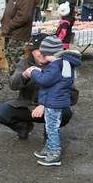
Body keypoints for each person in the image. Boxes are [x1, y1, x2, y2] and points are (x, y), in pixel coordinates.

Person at [0, 34, 75, 139]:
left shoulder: (61, 65)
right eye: (38, 50)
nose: (42, 54)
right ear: (32, 51)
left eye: (46, 50)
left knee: (66, 113)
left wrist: (47, 105)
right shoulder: (25, 63)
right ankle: (23, 127)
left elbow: (73, 94)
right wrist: (24, 75)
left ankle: (50, 129)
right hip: (26, 105)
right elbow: (12, 84)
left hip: (52, 107)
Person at [27, 37, 82, 166]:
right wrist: (42, 71)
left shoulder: (56, 65)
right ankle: (49, 148)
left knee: (52, 128)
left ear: (47, 52)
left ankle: (54, 153)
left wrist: (34, 72)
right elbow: (53, 77)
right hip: (57, 100)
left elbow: (45, 80)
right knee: (51, 126)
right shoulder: (63, 62)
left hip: (53, 101)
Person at [1, 0, 37, 74]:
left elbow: (24, 16)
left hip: (18, 35)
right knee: (10, 58)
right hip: (10, 33)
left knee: (17, 61)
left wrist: (10, 25)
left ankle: (20, 79)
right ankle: (13, 79)